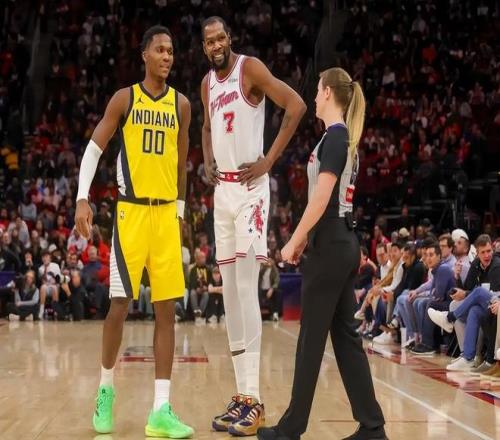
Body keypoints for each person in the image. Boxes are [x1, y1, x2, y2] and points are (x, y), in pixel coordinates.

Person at [74, 25, 193, 438]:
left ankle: (160, 409)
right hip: (131, 214)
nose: (167, 57)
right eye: (160, 50)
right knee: (120, 306)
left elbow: (181, 165)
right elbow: (94, 148)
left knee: (166, 311)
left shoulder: (181, 104)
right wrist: (82, 197)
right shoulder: (124, 98)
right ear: (144, 54)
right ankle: (105, 389)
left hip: (166, 217)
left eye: (171, 51)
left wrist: (180, 212)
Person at [257, 68, 386, 440]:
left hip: (330, 244)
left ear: (328, 92)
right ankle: (372, 427)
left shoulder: (336, 137)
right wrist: (306, 240)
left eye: (316, 90)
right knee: (345, 338)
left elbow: (321, 197)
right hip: (340, 242)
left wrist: (294, 240)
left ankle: (290, 429)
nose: (313, 96)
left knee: (310, 341)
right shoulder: (342, 138)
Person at [200, 16, 306, 436]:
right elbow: (206, 126)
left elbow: (296, 106)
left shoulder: (250, 68)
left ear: (230, 38)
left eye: (221, 38)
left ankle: (255, 398)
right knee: (229, 294)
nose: (216, 45)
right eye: (209, 41)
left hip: (250, 190)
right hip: (222, 193)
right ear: (204, 47)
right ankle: (242, 397)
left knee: (246, 289)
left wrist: (269, 161)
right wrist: (207, 158)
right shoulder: (207, 84)